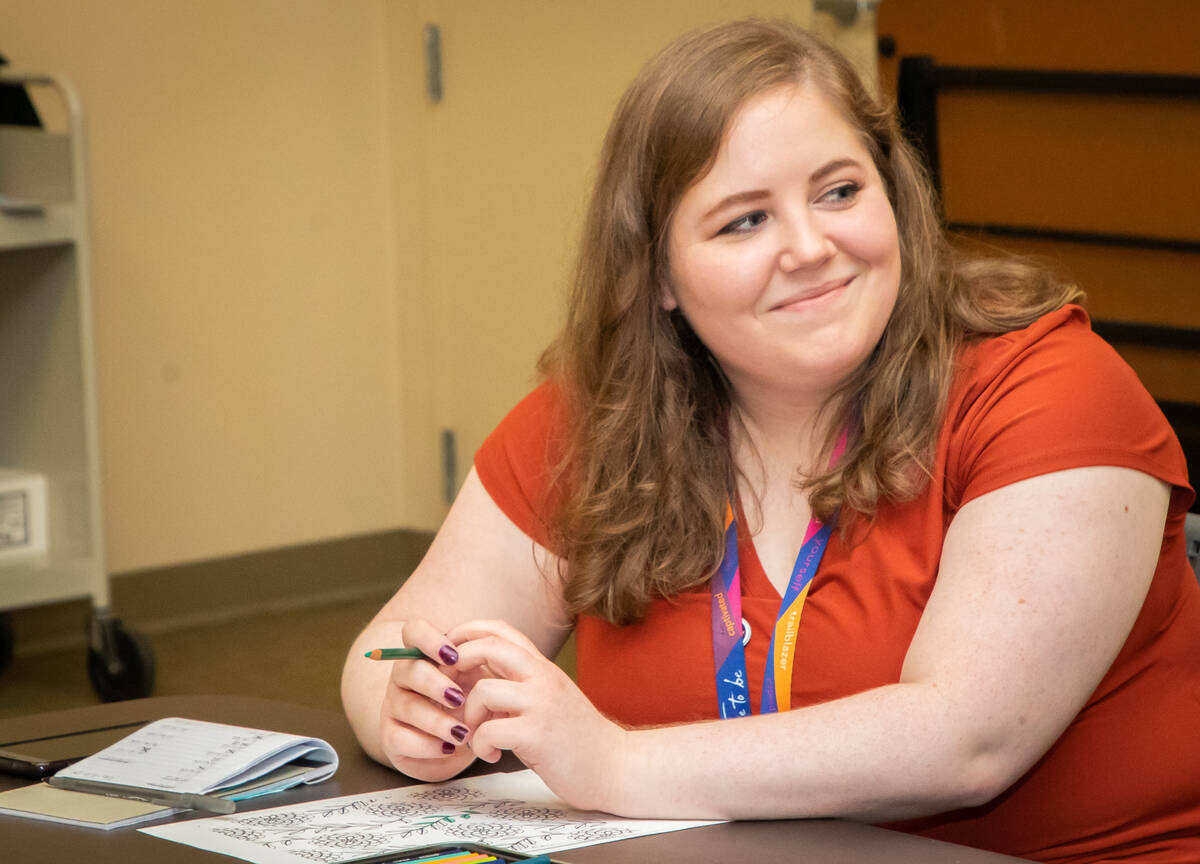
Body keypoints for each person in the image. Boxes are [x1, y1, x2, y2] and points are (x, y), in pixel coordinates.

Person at [341, 18, 1200, 863]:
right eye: (744, 221)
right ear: (658, 277)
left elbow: (965, 741)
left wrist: (613, 761)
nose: (810, 247)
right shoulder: (599, 415)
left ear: (893, 194)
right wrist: (408, 708)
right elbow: (388, 651)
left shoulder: (1050, 389)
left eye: (839, 191)